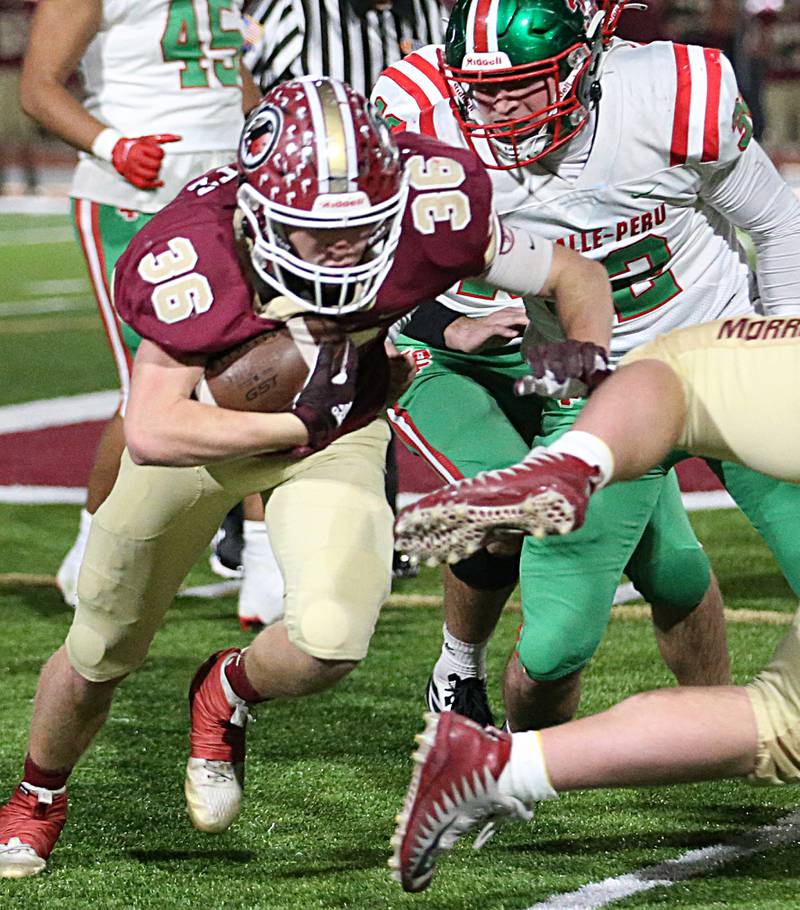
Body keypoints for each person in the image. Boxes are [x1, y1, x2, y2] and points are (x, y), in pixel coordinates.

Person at [0, 76, 613, 879]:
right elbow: (152, 428)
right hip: (209, 442)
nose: (345, 252)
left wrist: (576, 390)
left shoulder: (435, 200)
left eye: (363, 231)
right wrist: (301, 420)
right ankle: (37, 796)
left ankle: (224, 689)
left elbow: (580, 278)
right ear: (258, 216)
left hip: (337, 433)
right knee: (101, 644)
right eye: (318, 236)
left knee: (330, 641)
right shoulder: (194, 248)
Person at [370, 0, 800, 734]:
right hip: (598, 391)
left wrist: (784, 345)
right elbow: (374, 275)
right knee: (552, 646)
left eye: (522, 85)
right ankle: (519, 768)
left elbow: (773, 219)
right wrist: (451, 323)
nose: (498, 110)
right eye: (483, 89)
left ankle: (709, 740)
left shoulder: (666, 95)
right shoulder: (427, 119)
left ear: (581, 65)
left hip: (724, 352)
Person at [390, 314, 800, 894]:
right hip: (578, 373)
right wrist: (438, 326)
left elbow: (577, 278)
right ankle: (463, 670)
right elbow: (391, 262)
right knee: (549, 631)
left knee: (685, 583)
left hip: (648, 365)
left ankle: (493, 764)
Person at [210, 0, 452, 631]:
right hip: (298, 214)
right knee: (290, 365)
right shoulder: (291, 11)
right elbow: (241, 87)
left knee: (375, 359)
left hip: (385, 208)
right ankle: (255, 540)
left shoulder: (427, 13)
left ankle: (358, 528)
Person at [18, 0, 261, 607]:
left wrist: (263, 140)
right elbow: (38, 88)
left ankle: (264, 554)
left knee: (256, 371)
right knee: (150, 389)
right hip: (135, 197)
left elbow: (233, 76)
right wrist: (113, 144)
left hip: (227, 188)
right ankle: (93, 544)